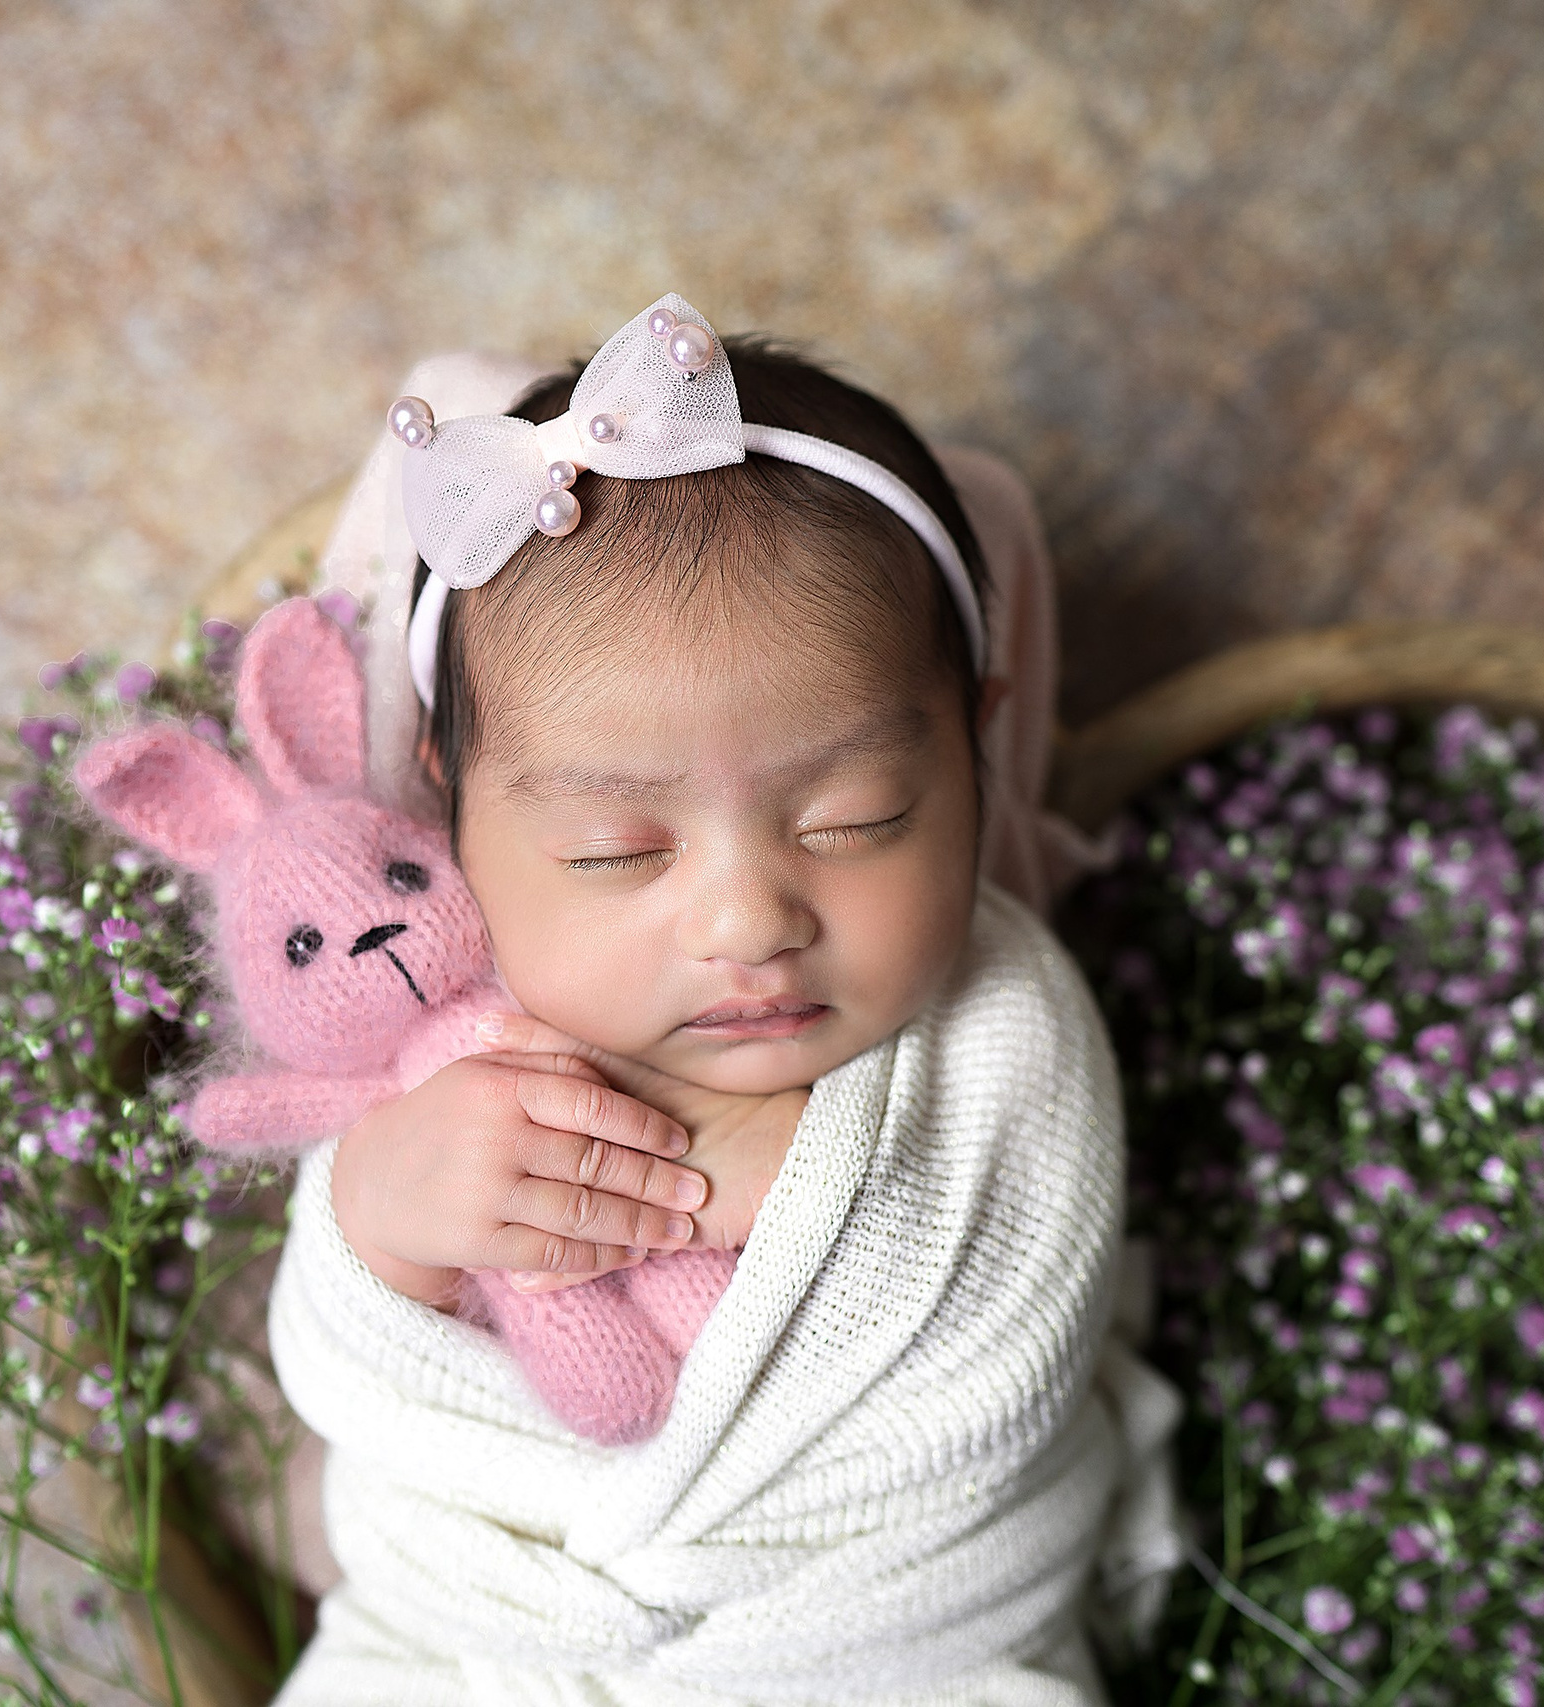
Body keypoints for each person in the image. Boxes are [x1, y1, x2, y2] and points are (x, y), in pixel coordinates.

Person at [267, 294, 1177, 1706]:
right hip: (487, 1640)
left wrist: (775, 1177)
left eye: (858, 817)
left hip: (890, 1648)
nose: (752, 919)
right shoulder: (445, 1033)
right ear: (457, 816)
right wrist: (380, 1215)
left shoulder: (1002, 1023)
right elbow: (351, 1371)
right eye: (615, 853)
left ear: (975, 749)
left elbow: (1010, 1374)